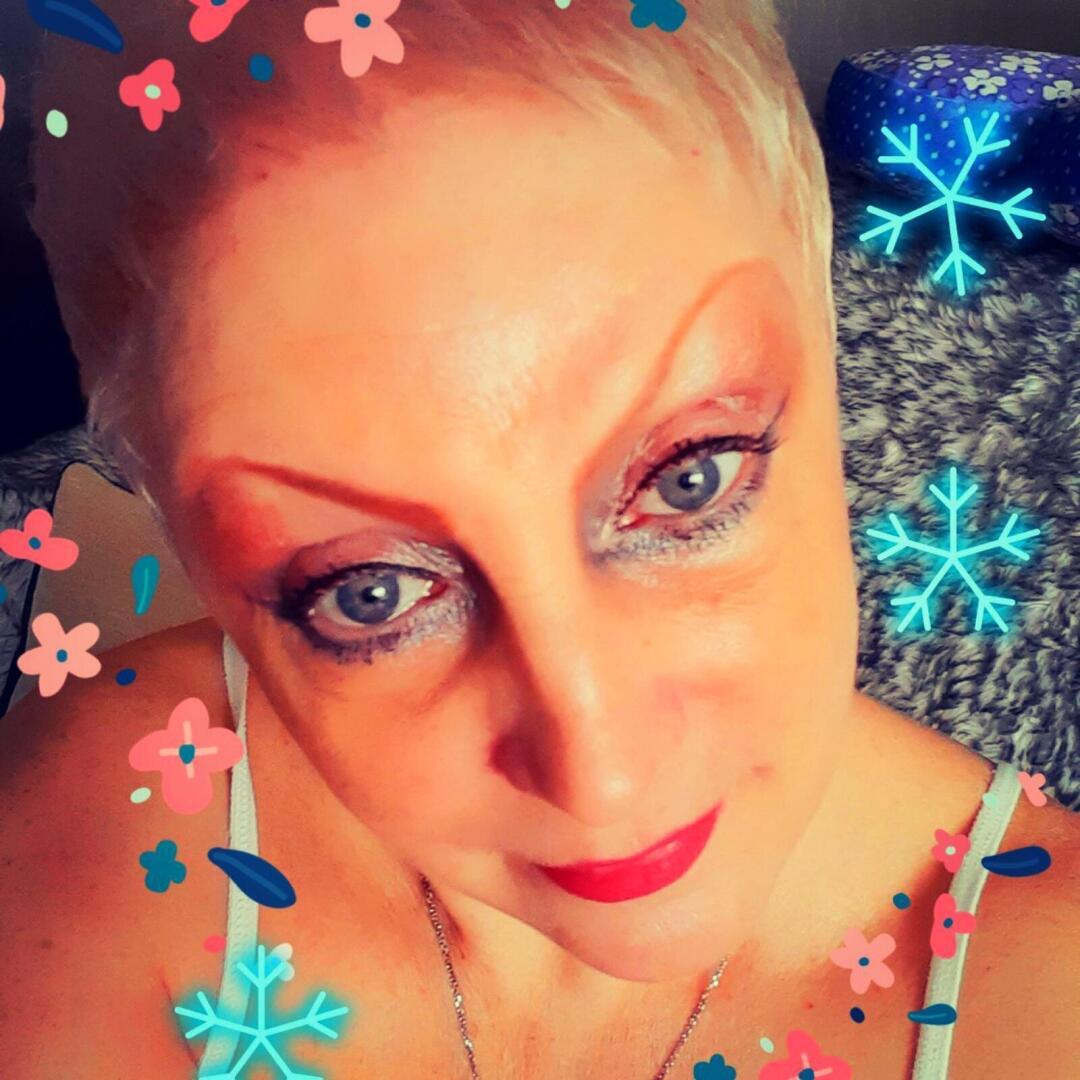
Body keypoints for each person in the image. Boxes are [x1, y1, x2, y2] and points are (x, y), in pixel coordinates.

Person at [2, 1, 1076, 1077]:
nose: (602, 780)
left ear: (825, 329)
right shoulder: (97, 840)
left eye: (690, 479)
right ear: (185, 544)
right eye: (369, 592)